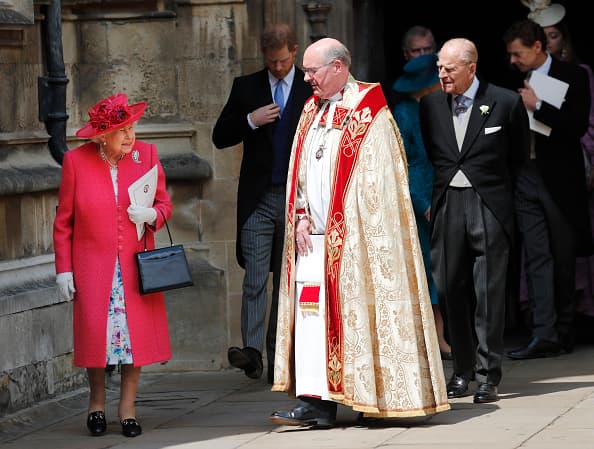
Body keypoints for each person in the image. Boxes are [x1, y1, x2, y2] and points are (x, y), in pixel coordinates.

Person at [269, 37, 450, 429]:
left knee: (363, 316)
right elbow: (298, 171)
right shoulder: (308, 110)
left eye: (312, 71)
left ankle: (374, 398)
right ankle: (316, 404)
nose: (306, 78)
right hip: (313, 242)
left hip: (358, 243)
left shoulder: (370, 112)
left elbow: (381, 185)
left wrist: (353, 229)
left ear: (338, 67)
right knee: (313, 319)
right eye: (305, 70)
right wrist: (299, 213)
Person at [53, 93, 173, 437]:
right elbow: (63, 222)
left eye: (132, 128)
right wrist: (64, 268)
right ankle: (96, 406)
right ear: (101, 135)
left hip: (134, 269)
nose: (129, 136)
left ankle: (128, 409)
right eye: (121, 130)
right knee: (97, 340)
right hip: (93, 269)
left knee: (133, 341)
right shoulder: (76, 162)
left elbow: (165, 203)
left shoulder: (146, 154)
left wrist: (153, 214)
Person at [419, 38, 530, 403]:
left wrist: (495, 194)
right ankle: (461, 371)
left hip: (488, 204)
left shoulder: (505, 102)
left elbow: (517, 156)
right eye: (439, 68)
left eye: (449, 69)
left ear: (471, 67)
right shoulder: (431, 104)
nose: (442, 75)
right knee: (451, 289)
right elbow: (436, 154)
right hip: (448, 203)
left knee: (488, 292)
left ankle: (487, 376)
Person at [212, 23, 312, 384]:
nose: (278, 68)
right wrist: (250, 121)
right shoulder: (247, 87)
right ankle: (252, 353)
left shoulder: (310, 86)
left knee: (286, 279)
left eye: (284, 61)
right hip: (259, 198)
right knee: (255, 276)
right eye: (272, 63)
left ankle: (278, 355)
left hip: (297, 200)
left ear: (295, 51)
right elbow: (219, 136)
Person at [503, 19, 592, 359]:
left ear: (537, 47)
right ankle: (543, 333)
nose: (513, 60)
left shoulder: (574, 75)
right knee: (536, 256)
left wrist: (537, 106)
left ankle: (564, 331)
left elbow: (576, 125)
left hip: (559, 178)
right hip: (525, 174)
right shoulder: (513, 77)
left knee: (563, 258)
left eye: (518, 53)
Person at [391, 53, 452, 360]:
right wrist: (422, 202)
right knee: (426, 270)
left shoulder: (438, 105)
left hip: (443, 188)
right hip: (421, 197)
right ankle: (434, 337)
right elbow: (404, 163)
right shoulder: (404, 113)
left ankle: (442, 335)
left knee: (443, 269)